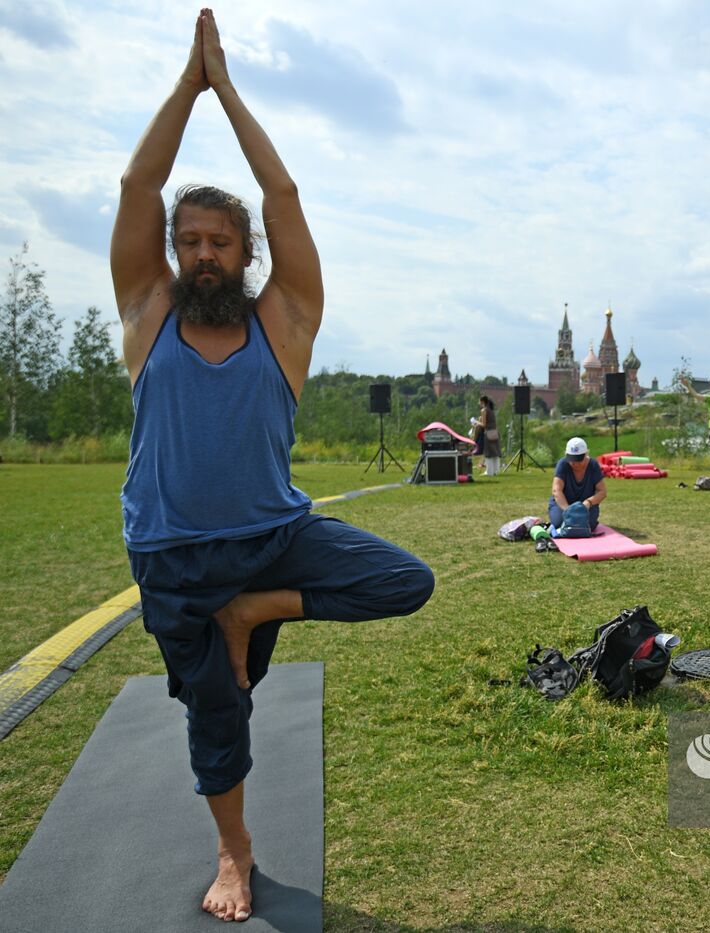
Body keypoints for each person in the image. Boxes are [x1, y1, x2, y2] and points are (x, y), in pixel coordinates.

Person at [110, 12, 434, 922]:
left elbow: (283, 193)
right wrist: (189, 85)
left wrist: (231, 90)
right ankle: (235, 851)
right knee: (220, 714)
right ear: (174, 253)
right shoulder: (148, 314)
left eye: (221, 241)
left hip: (273, 543)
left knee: (407, 578)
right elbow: (139, 183)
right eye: (190, 241)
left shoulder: (283, 322)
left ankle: (250, 612)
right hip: (172, 556)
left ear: (247, 254)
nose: (204, 253)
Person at [550, 437, 607, 532]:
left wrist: (588, 502)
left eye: (579, 459)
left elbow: (602, 491)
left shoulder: (593, 465)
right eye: (572, 460)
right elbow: (557, 490)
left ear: (586, 454)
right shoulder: (562, 464)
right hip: (564, 502)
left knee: (589, 525)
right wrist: (568, 510)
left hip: (585, 505)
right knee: (558, 523)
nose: (575, 463)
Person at [477, 395, 501, 475]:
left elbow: (483, 425)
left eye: (479, 401)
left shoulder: (484, 410)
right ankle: (495, 471)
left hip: (488, 433)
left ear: (482, 402)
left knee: (488, 453)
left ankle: (489, 471)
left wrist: (476, 422)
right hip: (495, 433)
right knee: (495, 453)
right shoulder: (491, 410)